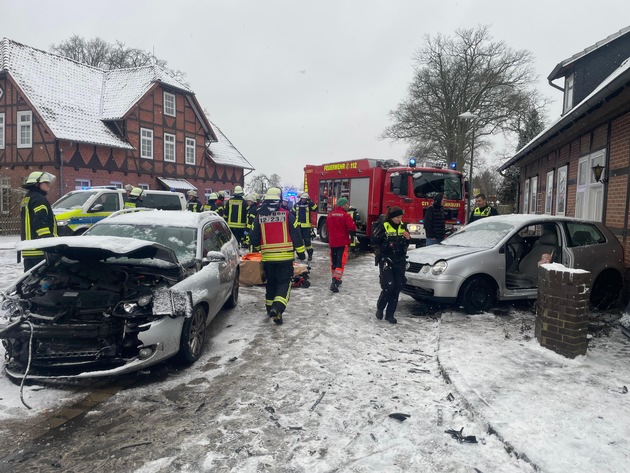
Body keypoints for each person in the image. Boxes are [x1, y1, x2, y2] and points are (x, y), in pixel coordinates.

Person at [250, 187, 306, 325]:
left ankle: (270, 308)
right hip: (285, 259)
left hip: (268, 259)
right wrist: (301, 252)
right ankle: (278, 308)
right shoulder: (287, 215)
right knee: (284, 284)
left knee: (271, 283)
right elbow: (296, 235)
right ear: (279, 200)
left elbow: (254, 236)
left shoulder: (259, 216)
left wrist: (257, 249)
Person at [372, 206, 411, 324]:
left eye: (401, 217)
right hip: (386, 259)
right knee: (389, 286)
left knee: (397, 287)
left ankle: (390, 314)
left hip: (400, 260)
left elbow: (407, 242)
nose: (400, 219)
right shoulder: (383, 226)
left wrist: (408, 238)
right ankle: (380, 307)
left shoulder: (403, 226)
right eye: (397, 217)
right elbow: (373, 241)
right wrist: (380, 254)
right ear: (392, 217)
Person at [20, 171, 58, 271]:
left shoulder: (27, 198)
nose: (48, 186)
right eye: (46, 183)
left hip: (29, 250)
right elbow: (41, 223)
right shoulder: (39, 199)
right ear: (37, 184)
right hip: (39, 250)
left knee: (31, 281)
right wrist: (49, 244)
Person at [326, 197, 357, 293]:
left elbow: (328, 228)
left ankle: (334, 278)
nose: (348, 206)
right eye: (347, 204)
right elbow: (352, 227)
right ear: (343, 205)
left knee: (334, 261)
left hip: (333, 242)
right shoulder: (345, 215)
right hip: (342, 242)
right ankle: (336, 281)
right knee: (341, 262)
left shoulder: (330, 215)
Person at [291, 192, 318, 261]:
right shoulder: (296, 205)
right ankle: (300, 255)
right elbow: (292, 214)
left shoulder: (309, 205)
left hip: (306, 228)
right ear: (301, 198)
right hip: (298, 227)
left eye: (305, 199)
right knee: (298, 242)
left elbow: (315, 208)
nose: (304, 200)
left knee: (307, 242)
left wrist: (311, 201)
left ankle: (310, 255)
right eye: (303, 198)